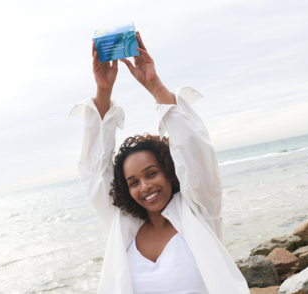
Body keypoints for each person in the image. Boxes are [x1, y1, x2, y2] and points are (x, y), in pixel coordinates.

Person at [69, 31, 249, 294]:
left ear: (169, 172)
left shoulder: (198, 212)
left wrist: (154, 85)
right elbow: (94, 171)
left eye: (151, 173)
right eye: (133, 182)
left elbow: (194, 152)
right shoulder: (124, 226)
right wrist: (103, 90)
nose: (144, 186)